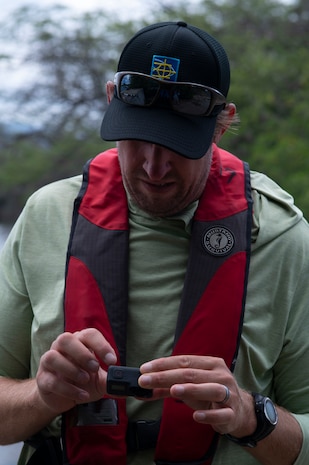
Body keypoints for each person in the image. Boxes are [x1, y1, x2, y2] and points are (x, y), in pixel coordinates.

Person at [0, 20, 308, 465]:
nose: (153, 166)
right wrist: (42, 395)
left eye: (178, 144)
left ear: (223, 124)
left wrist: (250, 416)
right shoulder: (47, 215)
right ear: (111, 100)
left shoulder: (283, 237)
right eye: (137, 137)